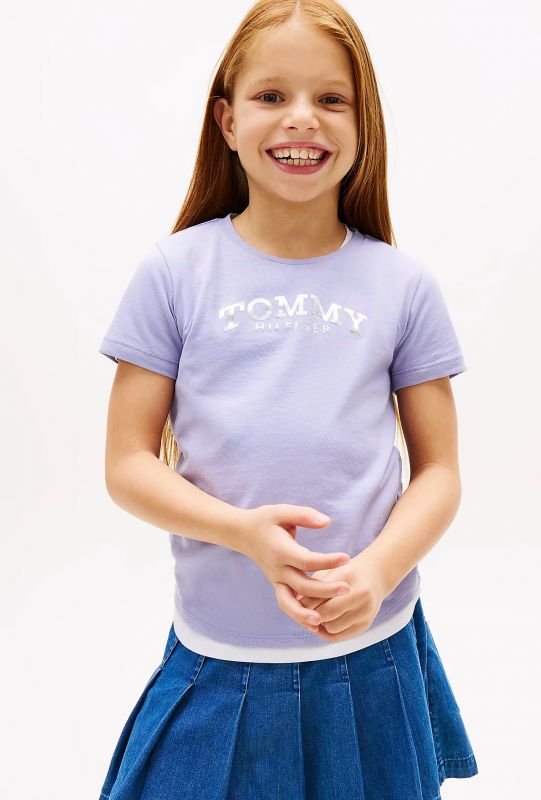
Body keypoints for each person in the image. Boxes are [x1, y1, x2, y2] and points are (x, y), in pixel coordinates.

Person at [97, 1, 479, 798]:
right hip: (220, 658)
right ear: (227, 120)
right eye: (272, 95)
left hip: (372, 658)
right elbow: (128, 464)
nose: (302, 118)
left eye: (331, 99)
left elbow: (440, 472)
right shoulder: (173, 274)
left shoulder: (403, 285)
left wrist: (377, 572)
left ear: (364, 123)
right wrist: (243, 533)